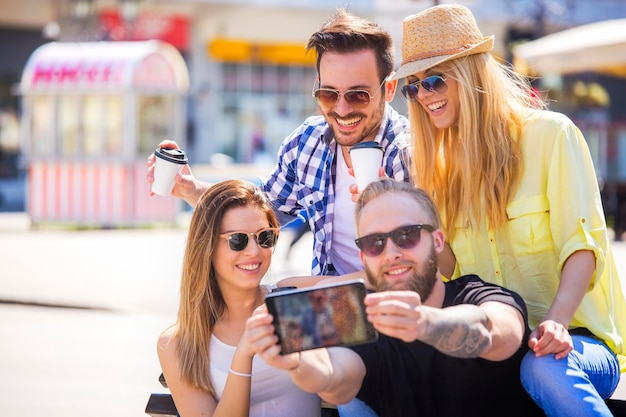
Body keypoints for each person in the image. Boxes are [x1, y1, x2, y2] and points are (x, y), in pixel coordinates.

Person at [392, 4, 625, 416]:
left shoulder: (551, 136)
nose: (424, 96)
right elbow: (450, 271)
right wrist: (416, 213)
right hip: (501, 344)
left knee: (542, 368)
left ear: (470, 72)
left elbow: (584, 247)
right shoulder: (437, 170)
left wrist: (554, 322)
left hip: (578, 341)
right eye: (414, 87)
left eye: (433, 80)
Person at [146, 8, 411, 278]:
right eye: (328, 94)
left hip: (403, 307)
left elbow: (430, 264)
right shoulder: (308, 143)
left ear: (388, 89)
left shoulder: (411, 153)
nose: (341, 110)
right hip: (334, 309)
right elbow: (260, 212)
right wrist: (191, 189)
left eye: (358, 95)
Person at [248, 179, 542, 417]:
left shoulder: (477, 294)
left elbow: (495, 331)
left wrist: (425, 324)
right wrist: (296, 361)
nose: (391, 253)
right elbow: (334, 379)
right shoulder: (361, 320)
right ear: (363, 258)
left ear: (437, 241)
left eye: (407, 235)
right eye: (375, 244)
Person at [156, 179, 321, 417]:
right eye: (238, 239)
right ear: (207, 246)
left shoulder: (293, 301)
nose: (254, 251)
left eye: (265, 237)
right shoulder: (176, 344)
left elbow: (369, 284)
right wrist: (244, 354)